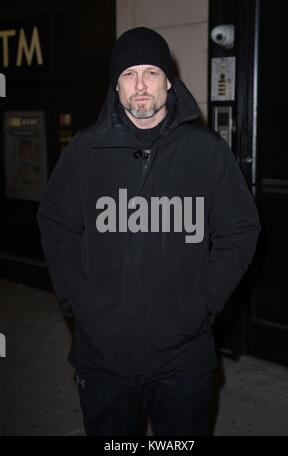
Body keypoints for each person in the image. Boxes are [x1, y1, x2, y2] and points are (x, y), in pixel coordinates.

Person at [37, 27, 261, 436]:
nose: (140, 85)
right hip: (103, 353)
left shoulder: (207, 150)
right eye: (129, 74)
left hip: (183, 353)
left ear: (168, 81)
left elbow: (240, 230)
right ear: (116, 86)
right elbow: (56, 222)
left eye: (151, 72)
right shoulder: (85, 150)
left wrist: (203, 302)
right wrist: (78, 298)